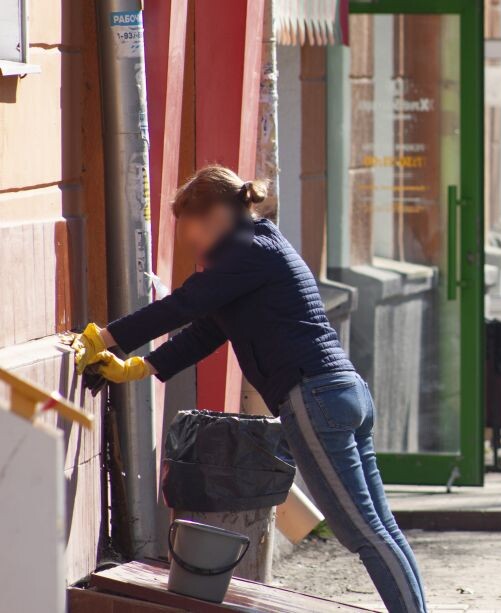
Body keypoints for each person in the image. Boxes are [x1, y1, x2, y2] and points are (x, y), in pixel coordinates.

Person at [72, 165, 427, 613]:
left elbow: (185, 303)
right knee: (381, 529)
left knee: (364, 533)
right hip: (344, 391)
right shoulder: (261, 246)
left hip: (313, 397)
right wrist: (140, 367)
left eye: (192, 233)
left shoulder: (244, 250)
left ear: (216, 214)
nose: (193, 246)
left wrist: (102, 338)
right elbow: (208, 329)